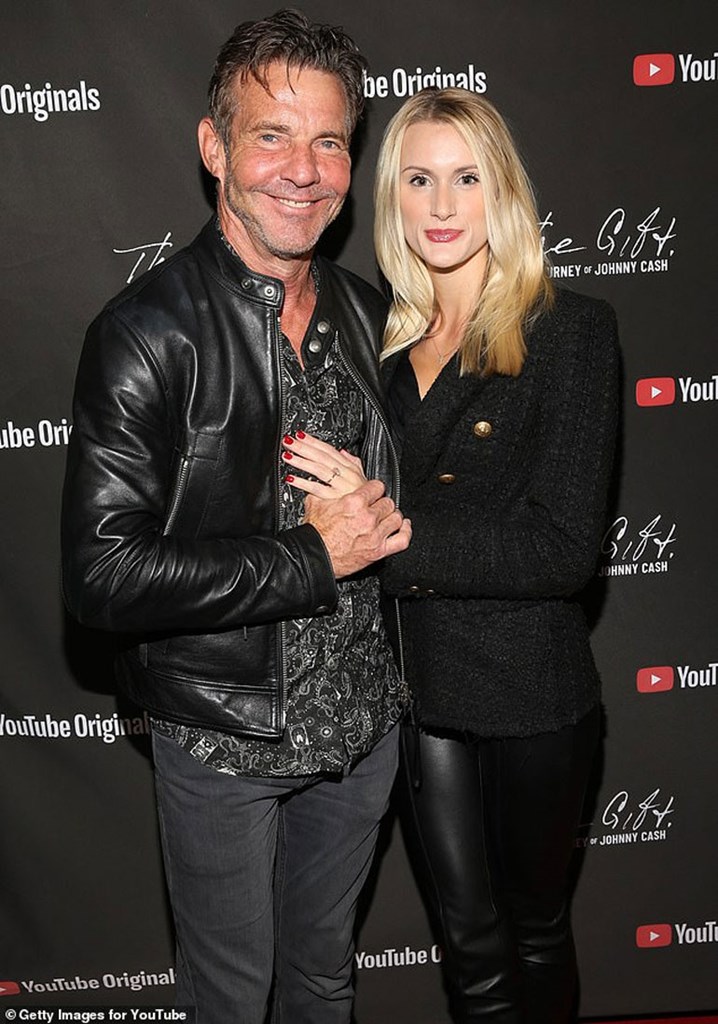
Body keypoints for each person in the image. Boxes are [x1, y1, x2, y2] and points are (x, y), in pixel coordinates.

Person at [61, 11, 412, 1024]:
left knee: (324, 982)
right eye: (272, 136)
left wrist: (388, 521)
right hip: (224, 740)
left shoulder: (368, 313)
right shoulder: (146, 333)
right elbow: (103, 576)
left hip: (362, 729)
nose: (303, 170)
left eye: (330, 141)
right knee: (230, 999)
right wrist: (313, 555)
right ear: (215, 148)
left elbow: (397, 513)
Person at [285, 89, 620, 1023]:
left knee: (534, 931)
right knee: (469, 950)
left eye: (466, 179)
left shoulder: (570, 330)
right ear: (389, 198)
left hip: (531, 691)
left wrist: (384, 531)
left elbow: (563, 549)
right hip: (421, 692)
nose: (440, 206)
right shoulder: (378, 345)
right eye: (418, 180)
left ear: (501, 190)